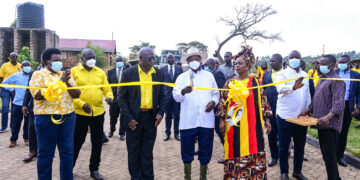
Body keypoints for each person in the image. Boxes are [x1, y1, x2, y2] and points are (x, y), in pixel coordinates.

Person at [217, 46, 271, 179]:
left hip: (253, 126)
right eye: (236, 63)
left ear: (248, 65)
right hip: (234, 127)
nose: (236, 66)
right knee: (234, 150)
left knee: (255, 148)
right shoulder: (230, 83)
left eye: (240, 63)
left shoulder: (256, 82)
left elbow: (263, 101)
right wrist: (221, 120)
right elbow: (223, 102)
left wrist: (267, 120)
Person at [29, 48, 80, 179]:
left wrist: (66, 81)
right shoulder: (38, 75)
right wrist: (58, 82)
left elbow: (77, 94)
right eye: (55, 60)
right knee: (46, 153)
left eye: (60, 60)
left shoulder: (65, 75)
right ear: (47, 62)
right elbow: (38, 95)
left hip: (68, 117)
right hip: (46, 119)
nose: (59, 63)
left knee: (67, 152)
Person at [118, 47, 165, 180]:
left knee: (147, 152)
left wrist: (161, 112)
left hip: (151, 118)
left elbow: (162, 95)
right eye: (149, 58)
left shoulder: (158, 73)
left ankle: (148, 177)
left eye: (153, 58)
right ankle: (136, 177)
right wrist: (129, 118)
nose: (152, 61)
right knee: (133, 152)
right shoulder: (128, 74)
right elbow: (122, 97)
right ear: (140, 59)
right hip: (133, 119)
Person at [173, 47, 219, 180]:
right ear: (187, 62)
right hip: (188, 121)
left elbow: (216, 93)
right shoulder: (181, 77)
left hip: (206, 120)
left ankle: (203, 176)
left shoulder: (209, 76)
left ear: (200, 60)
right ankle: (187, 176)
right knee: (187, 151)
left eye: (196, 58)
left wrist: (213, 102)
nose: (194, 61)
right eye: (191, 59)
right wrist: (182, 92)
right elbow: (176, 96)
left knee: (205, 149)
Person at [301, 54, 345, 180]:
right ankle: (335, 177)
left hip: (330, 125)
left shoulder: (337, 81)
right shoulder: (322, 79)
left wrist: (327, 117)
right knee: (326, 155)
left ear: (331, 65)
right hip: (320, 123)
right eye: (320, 63)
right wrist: (308, 110)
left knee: (329, 156)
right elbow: (316, 99)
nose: (320, 66)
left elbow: (338, 104)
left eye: (324, 63)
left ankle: (334, 178)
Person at [71, 49, 113, 180]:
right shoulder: (74, 72)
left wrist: (109, 96)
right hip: (80, 113)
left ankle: (94, 169)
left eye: (93, 58)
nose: (91, 60)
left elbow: (106, 88)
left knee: (97, 142)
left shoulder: (100, 72)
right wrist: (81, 104)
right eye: (89, 58)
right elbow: (70, 93)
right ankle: (69, 168)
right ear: (82, 58)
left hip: (98, 112)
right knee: (77, 142)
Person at [275, 50, 310, 180]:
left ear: (301, 60)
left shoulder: (305, 74)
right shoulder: (281, 74)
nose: (294, 59)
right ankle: (284, 172)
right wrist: (293, 87)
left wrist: (307, 110)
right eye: (292, 57)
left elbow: (307, 94)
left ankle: (297, 171)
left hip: (300, 117)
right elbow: (280, 89)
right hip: (285, 116)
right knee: (284, 146)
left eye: (297, 57)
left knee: (300, 145)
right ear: (288, 59)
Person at [334, 55, 360, 167]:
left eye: (343, 62)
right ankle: (331, 155)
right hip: (334, 105)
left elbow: (359, 93)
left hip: (347, 106)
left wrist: (357, 107)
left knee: (343, 132)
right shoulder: (334, 73)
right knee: (333, 131)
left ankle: (340, 156)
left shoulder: (356, 75)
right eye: (339, 62)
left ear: (349, 63)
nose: (341, 64)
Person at [3, 60, 31, 148]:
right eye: (25, 66)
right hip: (18, 103)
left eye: (29, 66)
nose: (27, 67)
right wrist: (13, 89)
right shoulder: (16, 76)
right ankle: (13, 140)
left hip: (29, 103)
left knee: (28, 122)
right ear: (22, 67)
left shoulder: (33, 76)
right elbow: (4, 83)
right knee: (16, 122)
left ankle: (26, 138)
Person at [204, 58, 226, 164]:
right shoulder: (207, 75)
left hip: (217, 108)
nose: (204, 67)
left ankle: (227, 154)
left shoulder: (217, 74)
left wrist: (219, 107)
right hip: (209, 108)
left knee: (220, 131)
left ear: (212, 65)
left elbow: (222, 91)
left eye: (206, 65)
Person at [262, 54, 282, 167]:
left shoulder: (287, 74)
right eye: (270, 61)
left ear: (280, 61)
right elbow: (263, 92)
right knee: (271, 134)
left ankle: (283, 153)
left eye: (273, 61)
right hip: (270, 109)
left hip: (283, 109)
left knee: (283, 135)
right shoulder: (266, 75)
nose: (271, 63)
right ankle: (274, 157)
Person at [22, 61, 44, 162]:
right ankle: (33, 151)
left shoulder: (56, 74)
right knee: (32, 129)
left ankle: (44, 151)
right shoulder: (34, 73)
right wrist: (24, 104)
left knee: (46, 130)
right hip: (34, 106)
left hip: (49, 108)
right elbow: (28, 90)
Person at [161, 53, 183, 141]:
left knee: (177, 115)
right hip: (166, 96)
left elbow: (181, 82)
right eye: (169, 58)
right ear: (167, 59)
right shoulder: (162, 69)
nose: (170, 59)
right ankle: (167, 133)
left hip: (176, 96)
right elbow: (161, 83)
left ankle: (177, 133)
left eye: (172, 58)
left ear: (174, 59)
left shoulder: (179, 69)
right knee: (168, 115)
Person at [107, 56, 128, 140]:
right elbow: (107, 86)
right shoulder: (110, 72)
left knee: (123, 117)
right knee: (113, 116)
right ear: (115, 62)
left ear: (123, 61)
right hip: (114, 98)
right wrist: (109, 96)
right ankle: (112, 130)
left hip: (124, 98)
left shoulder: (127, 71)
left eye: (120, 60)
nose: (119, 61)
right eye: (117, 60)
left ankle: (122, 133)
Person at [0, 52, 22, 132]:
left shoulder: (20, 66)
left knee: (14, 109)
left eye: (16, 57)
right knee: (5, 107)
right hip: (5, 90)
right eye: (13, 57)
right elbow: (1, 78)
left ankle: (13, 126)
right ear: (10, 57)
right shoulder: (4, 65)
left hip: (15, 90)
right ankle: (4, 127)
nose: (15, 58)